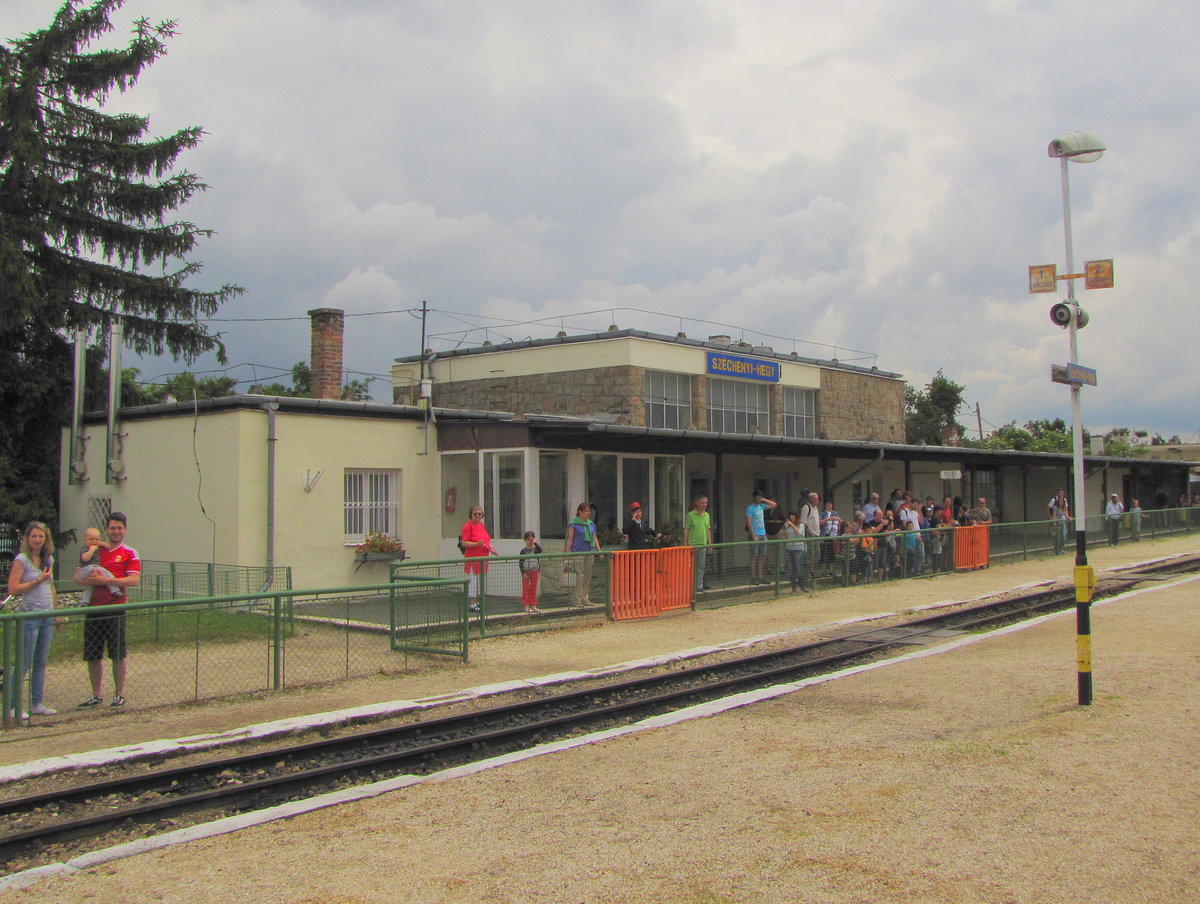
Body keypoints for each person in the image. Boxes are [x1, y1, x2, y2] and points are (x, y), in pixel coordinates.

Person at [74, 512, 140, 708]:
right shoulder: (94, 550)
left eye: (120, 528)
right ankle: (96, 694)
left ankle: (119, 694)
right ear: (106, 530)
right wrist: (89, 581)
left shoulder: (130, 553)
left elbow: (134, 580)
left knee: (117, 653)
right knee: (93, 654)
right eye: (112, 528)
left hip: (115, 608)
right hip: (94, 609)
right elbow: (77, 577)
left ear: (125, 530)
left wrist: (108, 581)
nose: (116, 531)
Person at [7, 522, 60, 718]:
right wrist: (37, 580)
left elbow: (51, 587)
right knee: (24, 662)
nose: (37, 540)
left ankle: (37, 702)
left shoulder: (49, 559)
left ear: (46, 539)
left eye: (41, 537)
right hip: (30, 616)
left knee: (41, 661)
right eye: (34, 536)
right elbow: (13, 588)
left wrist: (56, 612)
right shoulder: (22, 560)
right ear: (27, 539)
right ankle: (12, 706)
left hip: (46, 615)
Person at [564, 502, 601, 606]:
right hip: (578, 552)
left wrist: (599, 551)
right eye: (585, 511)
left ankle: (585, 597)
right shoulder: (574, 524)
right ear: (580, 512)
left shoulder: (591, 524)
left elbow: (594, 538)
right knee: (579, 576)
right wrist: (567, 554)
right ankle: (577, 599)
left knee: (587, 576)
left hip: (589, 551)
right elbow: (570, 539)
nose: (588, 513)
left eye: (589, 511)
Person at [459, 505, 494, 613]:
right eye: (475, 514)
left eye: (479, 514)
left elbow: (485, 540)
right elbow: (464, 542)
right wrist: (476, 544)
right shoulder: (467, 526)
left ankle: (477, 601)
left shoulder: (481, 525)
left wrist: (488, 547)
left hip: (482, 558)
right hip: (472, 558)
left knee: (480, 580)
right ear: (471, 515)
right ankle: (472, 603)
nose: (477, 515)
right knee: (472, 580)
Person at [77, 527, 118, 604]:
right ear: (85, 540)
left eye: (97, 539)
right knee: (106, 574)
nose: (94, 542)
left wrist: (102, 544)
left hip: (90, 569)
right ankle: (114, 589)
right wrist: (91, 550)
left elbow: (104, 544)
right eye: (91, 539)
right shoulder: (85, 548)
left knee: (89, 588)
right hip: (88, 568)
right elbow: (85, 558)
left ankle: (84, 601)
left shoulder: (96, 545)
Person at [744, 490, 777, 585]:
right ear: (754, 498)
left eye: (760, 498)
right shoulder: (750, 508)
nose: (758, 500)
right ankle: (754, 577)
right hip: (755, 534)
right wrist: (753, 535)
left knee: (762, 556)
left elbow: (774, 505)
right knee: (754, 556)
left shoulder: (761, 506)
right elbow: (749, 522)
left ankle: (760, 576)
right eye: (757, 498)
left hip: (763, 534)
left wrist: (763, 499)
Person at [685, 496, 713, 593]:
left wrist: (710, 544)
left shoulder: (707, 515)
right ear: (697, 503)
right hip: (693, 544)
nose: (704, 505)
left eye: (705, 503)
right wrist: (685, 544)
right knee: (692, 566)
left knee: (701, 566)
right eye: (702, 502)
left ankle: (699, 585)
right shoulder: (690, 515)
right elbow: (686, 529)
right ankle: (690, 586)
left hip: (703, 544)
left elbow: (708, 530)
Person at [780, 512, 809, 592]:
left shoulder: (801, 525)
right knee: (791, 569)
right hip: (789, 548)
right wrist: (782, 533)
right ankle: (794, 588)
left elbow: (799, 534)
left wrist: (792, 525)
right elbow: (785, 536)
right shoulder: (787, 526)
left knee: (799, 568)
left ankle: (803, 586)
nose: (792, 519)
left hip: (798, 549)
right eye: (790, 517)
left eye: (793, 517)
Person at [798, 492, 821, 586]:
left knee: (817, 554)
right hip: (809, 535)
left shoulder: (816, 508)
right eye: (814, 499)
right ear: (810, 499)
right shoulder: (806, 508)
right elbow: (802, 522)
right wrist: (809, 531)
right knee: (809, 555)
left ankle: (812, 572)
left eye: (817, 499)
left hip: (817, 535)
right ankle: (807, 576)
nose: (816, 501)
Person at [518, 531, 543, 614]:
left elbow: (540, 550)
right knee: (525, 589)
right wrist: (523, 573)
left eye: (531, 539)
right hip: (526, 571)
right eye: (528, 539)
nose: (530, 541)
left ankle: (533, 605)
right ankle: (526, 605)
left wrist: (535, 543)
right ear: (525, 540)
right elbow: (520, 562)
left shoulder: (536, 549)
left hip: (535, 570)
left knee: (533, 588)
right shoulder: (523, 551)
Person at [818, 499, 842, 577]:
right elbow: (819, 522)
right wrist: (828, 519)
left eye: (830, 504)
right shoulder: (822, 514)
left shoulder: (835, 513)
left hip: (833, 536)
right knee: (824, 553)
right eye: (827, 504)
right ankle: (823, 571)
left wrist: (836, 519)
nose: (829, 506)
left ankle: (831, 570)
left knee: (832, 553)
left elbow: (841, 521)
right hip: (825, 535)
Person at [1048, 489, 1070, 554]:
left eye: (1062, 493)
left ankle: (1061, 549)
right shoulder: (1054, 501)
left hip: (1063, 522)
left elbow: (1066, 511)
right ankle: (1057, 550)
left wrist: (1067, 517)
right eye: (1060, 493)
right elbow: (1049, 510)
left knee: (1063, 537)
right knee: (1057, 537)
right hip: (1057, 523)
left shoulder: (1064, 501)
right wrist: (1052, 520)